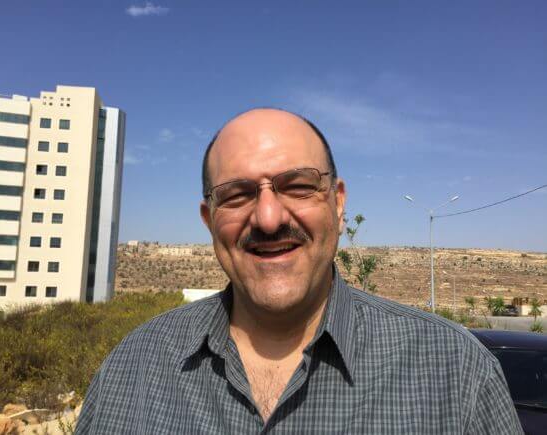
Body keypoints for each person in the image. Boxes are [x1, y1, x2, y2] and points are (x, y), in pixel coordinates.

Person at [76, 108, 522, 434]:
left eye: (298, 186)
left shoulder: (455, 372)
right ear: (210, 220)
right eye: (237, 195)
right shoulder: (134, 368)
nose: (269, 219)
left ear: (338, 204)